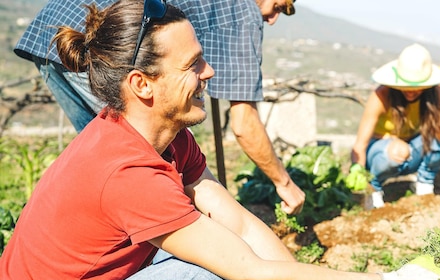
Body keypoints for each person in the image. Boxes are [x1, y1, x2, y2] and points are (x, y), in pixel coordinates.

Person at [0, 2, 440, 280]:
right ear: (142, 84)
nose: (210, 72)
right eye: (193, 63)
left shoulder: (165, 140)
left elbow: (238, 222)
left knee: (199, 256)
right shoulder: (127, 171)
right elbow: (253, 275)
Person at [14, 0, 306, 215]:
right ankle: (173, 258)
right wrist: (284, 183)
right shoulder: (244, 11)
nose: (274, 18)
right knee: (142, 163)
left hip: (57, 27)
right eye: (281, 6)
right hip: (100, 39)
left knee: (102, 157)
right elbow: (244, 124)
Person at [346, 43, 440, 209]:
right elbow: (360, 144)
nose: (411, 91)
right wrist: (357, 167)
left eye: (417, 87)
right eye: (406, 86)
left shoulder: (437, 94)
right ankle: (373, 189)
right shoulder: (381, 95)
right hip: (382, 154)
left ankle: (424, 184)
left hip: (414, 148)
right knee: (399, 149)